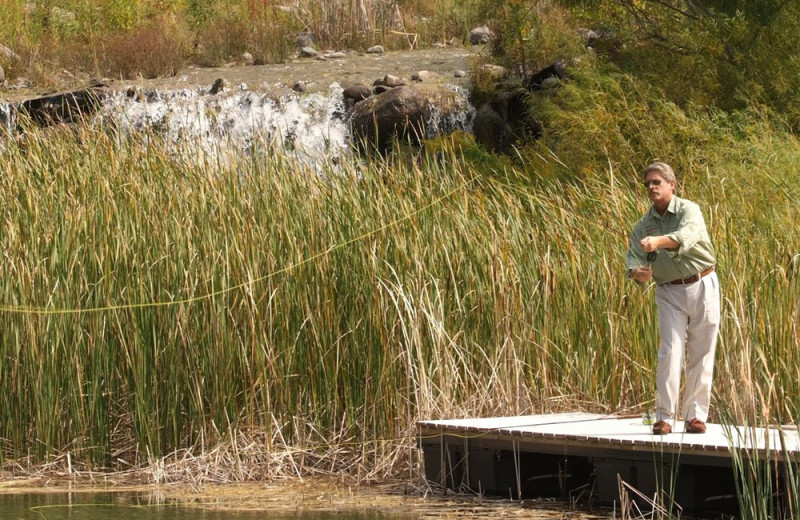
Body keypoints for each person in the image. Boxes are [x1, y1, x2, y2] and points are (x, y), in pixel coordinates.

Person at [626, 162, 720, 435]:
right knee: (670, 353)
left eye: (656, 182)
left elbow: (686, 237)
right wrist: (637, 272)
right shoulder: (644, 224)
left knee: (702, 352)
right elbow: (633, 256)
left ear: (671, 185)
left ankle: (695, 417)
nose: (651, 188)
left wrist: (658, 242)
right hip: (668, 291)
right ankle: (664, 418)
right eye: (648, 184)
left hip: (703, 282)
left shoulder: (690, 210)